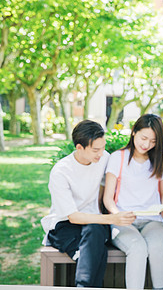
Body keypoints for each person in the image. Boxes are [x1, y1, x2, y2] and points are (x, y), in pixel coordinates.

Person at [41, 120, 136, 288]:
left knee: (93, 235)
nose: (101, 153)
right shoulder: (61, 171)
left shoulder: (104, 158)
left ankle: (83, 285)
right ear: (79, 148)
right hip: (65, 226)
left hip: (95, 225)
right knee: (95, 248)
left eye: (103, 147)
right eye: (95, 150)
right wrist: (113, 219)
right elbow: (74, 216)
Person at [103, 114, 163, 290]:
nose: (147, 144)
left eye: (153, 141)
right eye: (144, 138)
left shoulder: (160, 159)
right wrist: (118, 215)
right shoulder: (117, 157)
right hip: (123, 221)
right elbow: (107, 198)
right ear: (134, 132)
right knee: (137, 249)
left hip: (152, 221)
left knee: (159, 250)